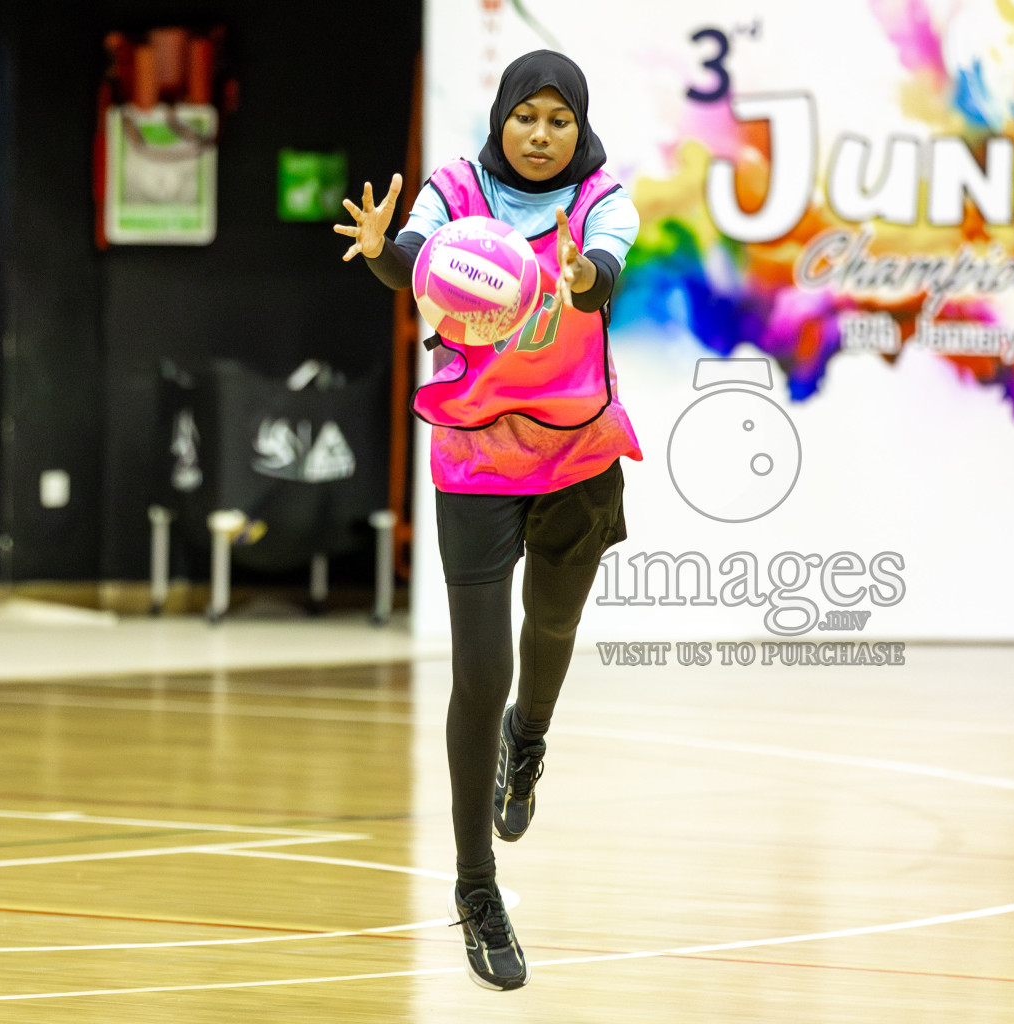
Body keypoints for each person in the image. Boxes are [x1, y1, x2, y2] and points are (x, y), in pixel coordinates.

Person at [334, 49, 642, 992]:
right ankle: (477, 887)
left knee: (551, 629)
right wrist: (386, 250)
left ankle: (531, 737)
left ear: (575, 126)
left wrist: (579, 276)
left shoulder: (604, 198)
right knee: (480, 671)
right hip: (472, 454)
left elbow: (602, 277)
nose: (540, 135)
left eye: (557, 120)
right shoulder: (453, 189)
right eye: (525, 118)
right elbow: (411, 266)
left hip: (577, 451)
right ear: (501, 119)